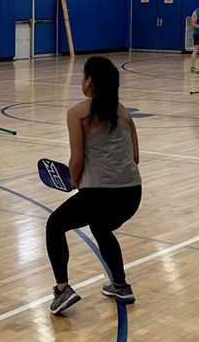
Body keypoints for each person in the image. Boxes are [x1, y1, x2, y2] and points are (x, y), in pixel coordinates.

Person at [47, 56, 144, 315]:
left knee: (55, 225)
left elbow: (76, 159)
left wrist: (75, 180)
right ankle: (120, 285)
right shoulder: (124, 113)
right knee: (100, 226)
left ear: (89, 82)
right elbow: (135, 158)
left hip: (101, 194)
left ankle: (62, 289)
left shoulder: (78, 113)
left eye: (83, 76)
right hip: (133, 194)